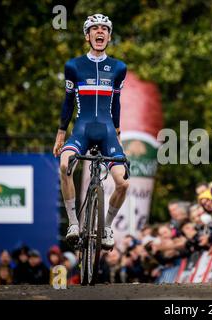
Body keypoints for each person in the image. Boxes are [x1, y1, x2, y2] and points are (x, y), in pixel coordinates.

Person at [52, 14, 129, 250]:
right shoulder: (73, 66)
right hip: (81, 129)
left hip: (107, 132)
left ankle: (105, 226)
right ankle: (74, 224)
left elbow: (116, 103)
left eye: (104, 29)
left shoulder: (118, 68)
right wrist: (61, 133)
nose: (100, 32)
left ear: (109, 36)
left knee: (123, 183)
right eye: (94, 28)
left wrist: (117, 132)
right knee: (65, 166)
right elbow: (68, 102)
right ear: (88, 36)